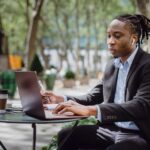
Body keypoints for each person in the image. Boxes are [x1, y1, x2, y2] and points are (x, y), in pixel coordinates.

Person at [42, 14, 150, 150]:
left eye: (117, 36)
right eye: (108, 35)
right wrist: (60, 98)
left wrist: (91, 110)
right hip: (110, 129)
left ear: (133, 39)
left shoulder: (147, 64)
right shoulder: (111, 65)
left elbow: (140, 106)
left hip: (138, 134)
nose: (110, 41)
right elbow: (93, 96)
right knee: (66, 135)